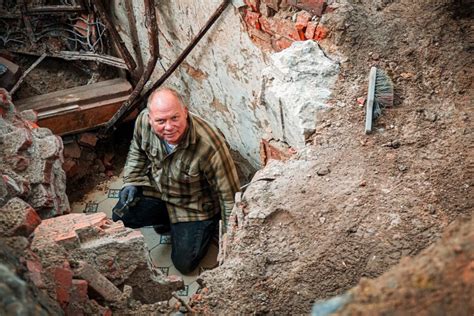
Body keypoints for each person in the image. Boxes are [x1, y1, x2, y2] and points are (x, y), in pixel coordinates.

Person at [112, 87, 240, 274]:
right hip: (158, 191)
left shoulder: (209, 145)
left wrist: (230, 241)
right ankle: (168, 221)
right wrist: (131, 181)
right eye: (161, 121)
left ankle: (200, 227)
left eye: (175, 118)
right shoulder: (142, 122)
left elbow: (229, 197)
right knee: (120, 217)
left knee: (184, 264)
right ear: (150, 119)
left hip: (192, 207)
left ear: (185, 113)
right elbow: (137, 151)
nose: (169, 127)